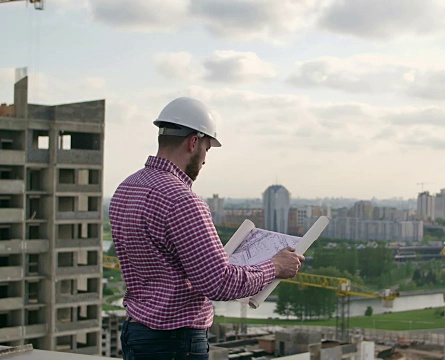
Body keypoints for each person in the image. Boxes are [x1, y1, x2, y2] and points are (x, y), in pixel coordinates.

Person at [109, 97, 304, 359]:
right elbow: (219, 283)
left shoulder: (127, 188)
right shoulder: (182, 200)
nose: (204, 160)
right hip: (175, 342)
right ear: (193, 142)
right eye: (207, 149)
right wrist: (276, 266)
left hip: (136, 333)